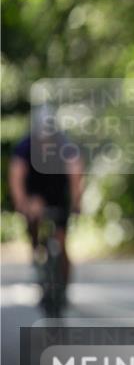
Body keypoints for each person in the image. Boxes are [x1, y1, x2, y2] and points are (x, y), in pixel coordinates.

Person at [8, 104, 84, 312]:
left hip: (59, 194)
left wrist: (77, 201)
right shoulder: (26, 146)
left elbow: (75, 171)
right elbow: (16, 175)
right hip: (35, 193)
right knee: (32, 217)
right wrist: (21, 201)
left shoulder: (64, 145)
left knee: (61, 241)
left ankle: (64, 288)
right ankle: (35, 251)